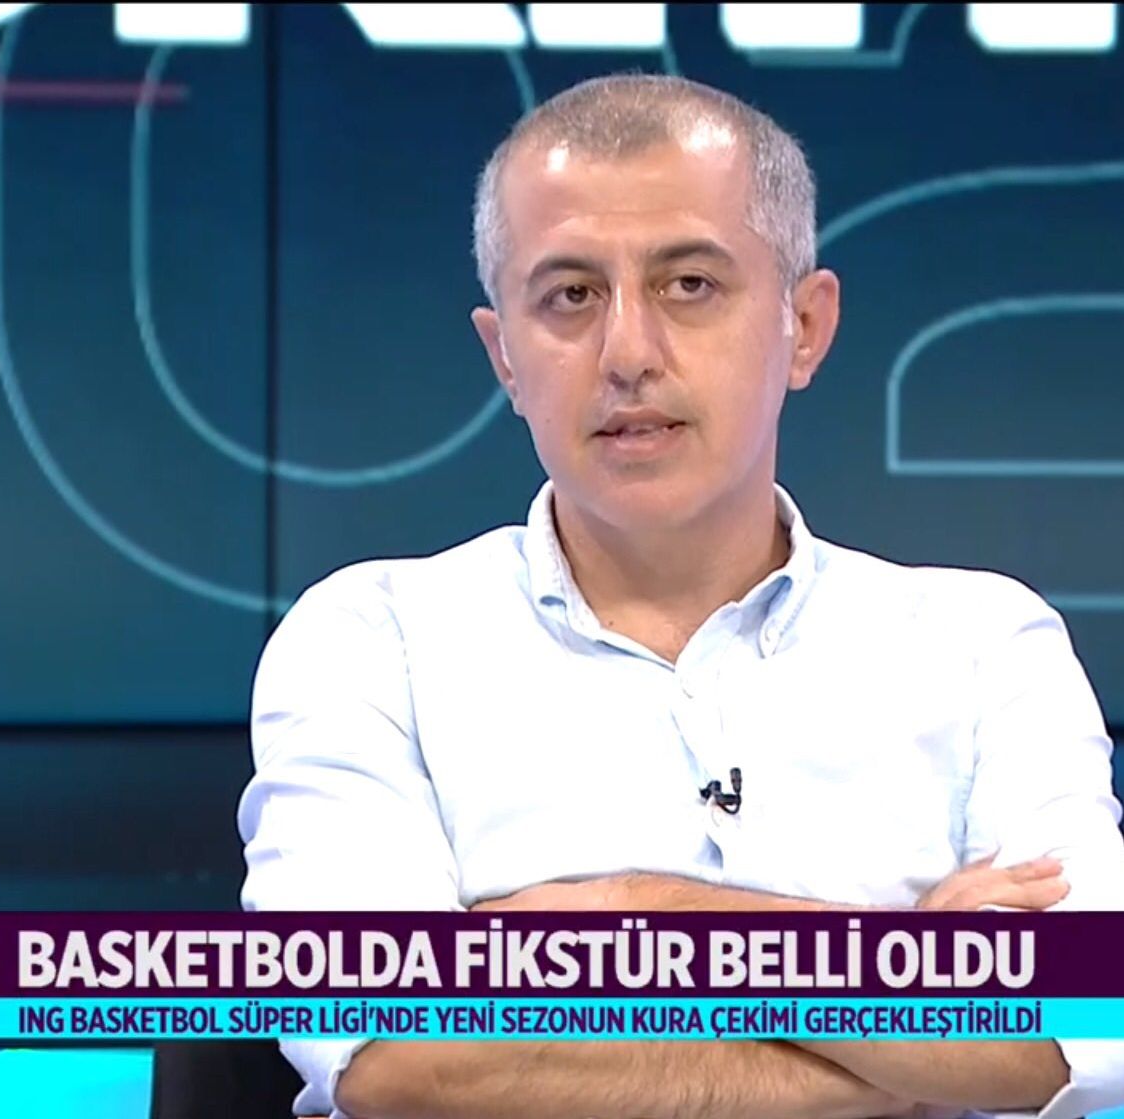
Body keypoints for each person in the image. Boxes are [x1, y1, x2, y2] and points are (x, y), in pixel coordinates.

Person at [235, 73, 1124, 1119]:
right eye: (570, 296)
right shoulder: (367, 641)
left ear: (804, 325)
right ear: (503, 355)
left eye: (688, 284)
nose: (627, 354)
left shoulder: (983, 646)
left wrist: (627, 911)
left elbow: (1086, 1030)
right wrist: (898, 991)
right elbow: (392, 1058)